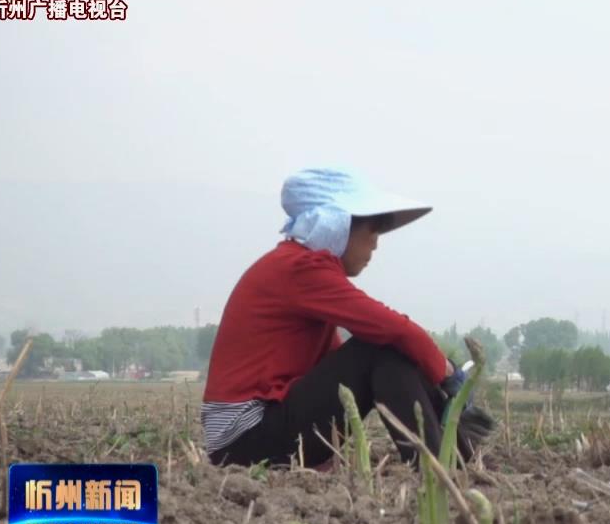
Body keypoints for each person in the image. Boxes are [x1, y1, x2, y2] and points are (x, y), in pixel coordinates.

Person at [201, 167, 493, 468]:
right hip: (244, 437)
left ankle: (450, 455)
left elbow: (338, 364)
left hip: (257, 430)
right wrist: (447, 374)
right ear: (338, 226)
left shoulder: (298, 268)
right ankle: (438, 468)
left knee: (387, 349)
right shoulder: (301, 268)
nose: (376, 244)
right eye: (373, 230)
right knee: (382, 345)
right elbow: (393, 328)